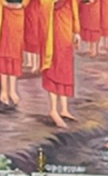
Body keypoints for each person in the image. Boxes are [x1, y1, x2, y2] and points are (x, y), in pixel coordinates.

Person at [35, 0, 82, 128]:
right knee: (53, 68)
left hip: (66, 29)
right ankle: (53, 110)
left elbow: (74, 6)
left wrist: (76, 31)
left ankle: (64, 109)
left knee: (66, 68)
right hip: (52, 30)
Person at [0, 0, 28, 106]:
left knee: (15, 52)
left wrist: (23, 4)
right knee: (3, 50)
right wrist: (3, 3)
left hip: (18, 13)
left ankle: (12, 90)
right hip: (4, 12)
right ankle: (4, 90)